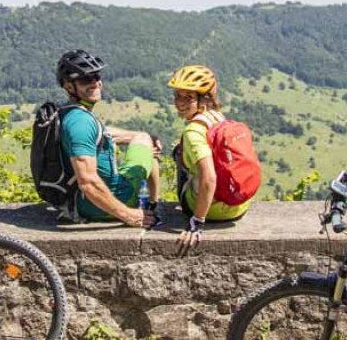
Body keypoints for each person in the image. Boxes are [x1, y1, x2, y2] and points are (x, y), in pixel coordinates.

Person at [56, 49, 161, 227]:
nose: (95, 83)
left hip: (78, 202)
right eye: (86, 79)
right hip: (109, 202)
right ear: (68, 86)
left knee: (142, 137)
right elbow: (88, 181)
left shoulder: (68, 113)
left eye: (96, 76)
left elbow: (100, 133)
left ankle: (152, 202)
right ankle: (153, 203)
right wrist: (129, 215)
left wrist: (135, 135)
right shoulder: (81, 123)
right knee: (146, 144)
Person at [169, 64, 253, 248]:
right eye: (178, 96)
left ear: (203, 99)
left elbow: (209, 176)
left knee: (179, 152)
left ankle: (198, 208)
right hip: (239, 205)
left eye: (188, 98)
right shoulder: (218, 117)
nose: (180, 102)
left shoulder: (193, 132)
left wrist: (197, 221)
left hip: (215, 211)